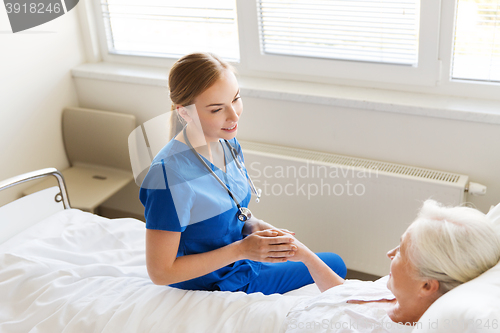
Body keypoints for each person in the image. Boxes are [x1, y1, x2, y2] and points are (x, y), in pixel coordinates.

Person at [139, 52, 347, 295]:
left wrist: (252, 225)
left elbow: (230, 208)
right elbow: (160, 273)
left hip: (238, 259)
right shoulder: (168, 177)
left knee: (330, 262)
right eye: (217, 109)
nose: (234, 115)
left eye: (235, 99)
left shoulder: (226, 142)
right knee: (333, 264)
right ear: (185, 113)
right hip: (212, 279)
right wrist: (242, 250)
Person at [286, 199, 500, 326]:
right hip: (281, 309)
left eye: (400, 253)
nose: (390, 253)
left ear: (426, 286)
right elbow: (344, 293)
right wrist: (304, 254)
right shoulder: (398, 294)